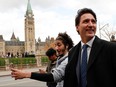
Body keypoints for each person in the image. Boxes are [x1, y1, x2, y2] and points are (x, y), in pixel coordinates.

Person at [63, 8, 116, 87]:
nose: (91, 25)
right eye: (86, 21)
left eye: (93, 21)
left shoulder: (111, 48)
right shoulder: (72, 52)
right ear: (77, 27)